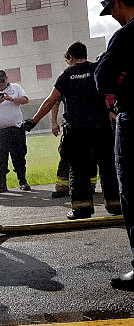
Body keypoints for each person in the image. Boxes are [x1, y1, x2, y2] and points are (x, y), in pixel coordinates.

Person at [25, 41, 120, 220]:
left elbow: (51, 100)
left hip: (77, 132)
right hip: (101, 130)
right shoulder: (96, 70)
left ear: (70, 57)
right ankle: (115, 206)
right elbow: (107, 98)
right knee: (108, 168)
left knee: (78, 169)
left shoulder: (66, 75)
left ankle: (81, 210)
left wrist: (33, 121)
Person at [95, 0, 134, 289]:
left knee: (133, 192)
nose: (115, 18)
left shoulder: (126, 36)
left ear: (120, 2)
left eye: (114, 11)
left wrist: (120, 74)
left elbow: (104, 79)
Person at [0, 70, 30, 193]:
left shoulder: (16, 87)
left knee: (19, 156)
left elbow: (25, 100)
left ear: (7, 79)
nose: (1, 84)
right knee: (0, 158)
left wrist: (11, 98)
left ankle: (23, 181)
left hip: (15, 130)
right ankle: (2, 184)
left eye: (3, 81)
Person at [50, 100, 98, 199]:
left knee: (91, 156)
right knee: (66, 156)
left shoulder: (92, 85)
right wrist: (54, 122)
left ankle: (90, 185)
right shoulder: (65, 84)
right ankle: (63, 187)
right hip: (73, 124)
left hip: (90, 124)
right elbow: (55, 102)